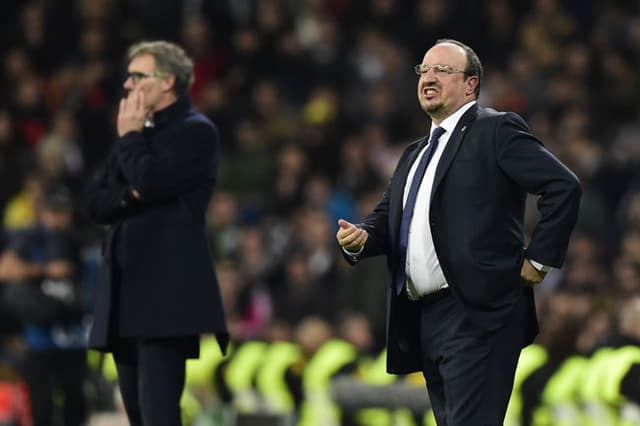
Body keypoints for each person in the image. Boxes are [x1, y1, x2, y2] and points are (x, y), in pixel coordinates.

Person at [336, 39, 581, 425]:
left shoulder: (495, 129)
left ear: (471, 84)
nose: (428, 78)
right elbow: (386, 220)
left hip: (478, 312)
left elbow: (562, 186)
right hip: (426, 318)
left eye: (442, 70)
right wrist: (362, 237)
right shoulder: (414, 152)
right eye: (423, 70)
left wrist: (539, 259)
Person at [85, 40, 228, 426]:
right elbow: (97, 203)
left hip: (166, 296)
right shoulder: (137, 133)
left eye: (137, 76)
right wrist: (134, 188)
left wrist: (130, 144)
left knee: (159, 416)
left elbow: (150, 180)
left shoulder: (196, 132)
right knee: (137, 416)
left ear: (167, 82)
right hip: (124, 294)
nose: (128, 86)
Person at [0, 185, 87, 426]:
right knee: (42, 407)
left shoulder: (77, 239)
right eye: (54, 211)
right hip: (40, 335)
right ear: (43, 212)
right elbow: (4, 270)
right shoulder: (29, 238)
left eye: (63, 211)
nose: (59, 217)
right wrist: (46, 270)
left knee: (75, 403)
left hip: (73, 335)